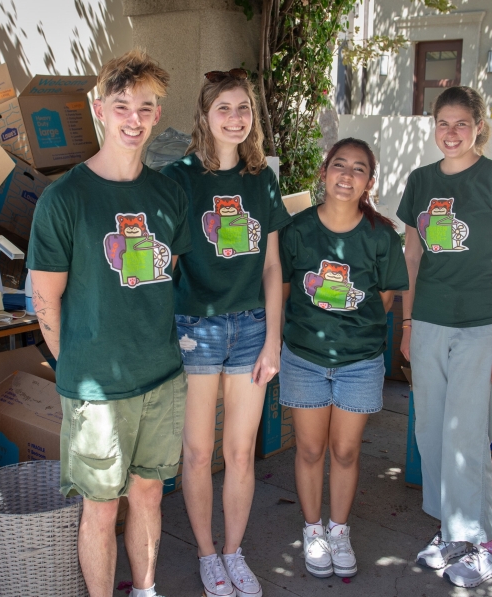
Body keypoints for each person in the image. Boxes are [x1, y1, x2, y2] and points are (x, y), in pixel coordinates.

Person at [27, 49, 190, 597]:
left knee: (148, 495)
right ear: (99, 109)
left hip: (163, 378)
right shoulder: (64, 198)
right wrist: (74, 363)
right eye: (122, 105)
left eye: (146, 107)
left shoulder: (169, 195)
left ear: (158, 113)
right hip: (97, 388)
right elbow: (45, 302)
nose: (134, 119)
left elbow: (172, 276)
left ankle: (144, 590)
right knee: (99, 512)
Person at [161, 67, 291, 597]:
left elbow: (272, 266)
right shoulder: (180, 178)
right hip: (195, 328)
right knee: (197, 453)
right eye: (224, 109)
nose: (235, 119)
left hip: (251, 329)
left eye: (244, 109)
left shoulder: (263, 179)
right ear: (205, 116)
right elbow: (163, 258)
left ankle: (234, 552)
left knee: (239, 453)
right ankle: (207, 554)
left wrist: (273, 341)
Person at [397, 86, 492, 588]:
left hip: (481, 326)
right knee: (431, 434)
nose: (451, 133)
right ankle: (452, 532)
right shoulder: (420, 180)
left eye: (461, 124)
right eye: (442, 123)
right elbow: (411, 258)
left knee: (467, 437)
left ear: (478, 127)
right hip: (428, 322)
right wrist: (407, 324)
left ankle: (486, 545)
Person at [278, 138, 408, 579]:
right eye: (338, 165)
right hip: (304, 357)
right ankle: (312, 530)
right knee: (311, 448)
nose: (346, 176)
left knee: (346, 450)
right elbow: (282, 292)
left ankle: (338, 530)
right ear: (323, 172)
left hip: (360, 360)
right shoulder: (296, 232)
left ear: (369, 182)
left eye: (358, 169)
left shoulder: (381, 236)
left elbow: (387, 298)